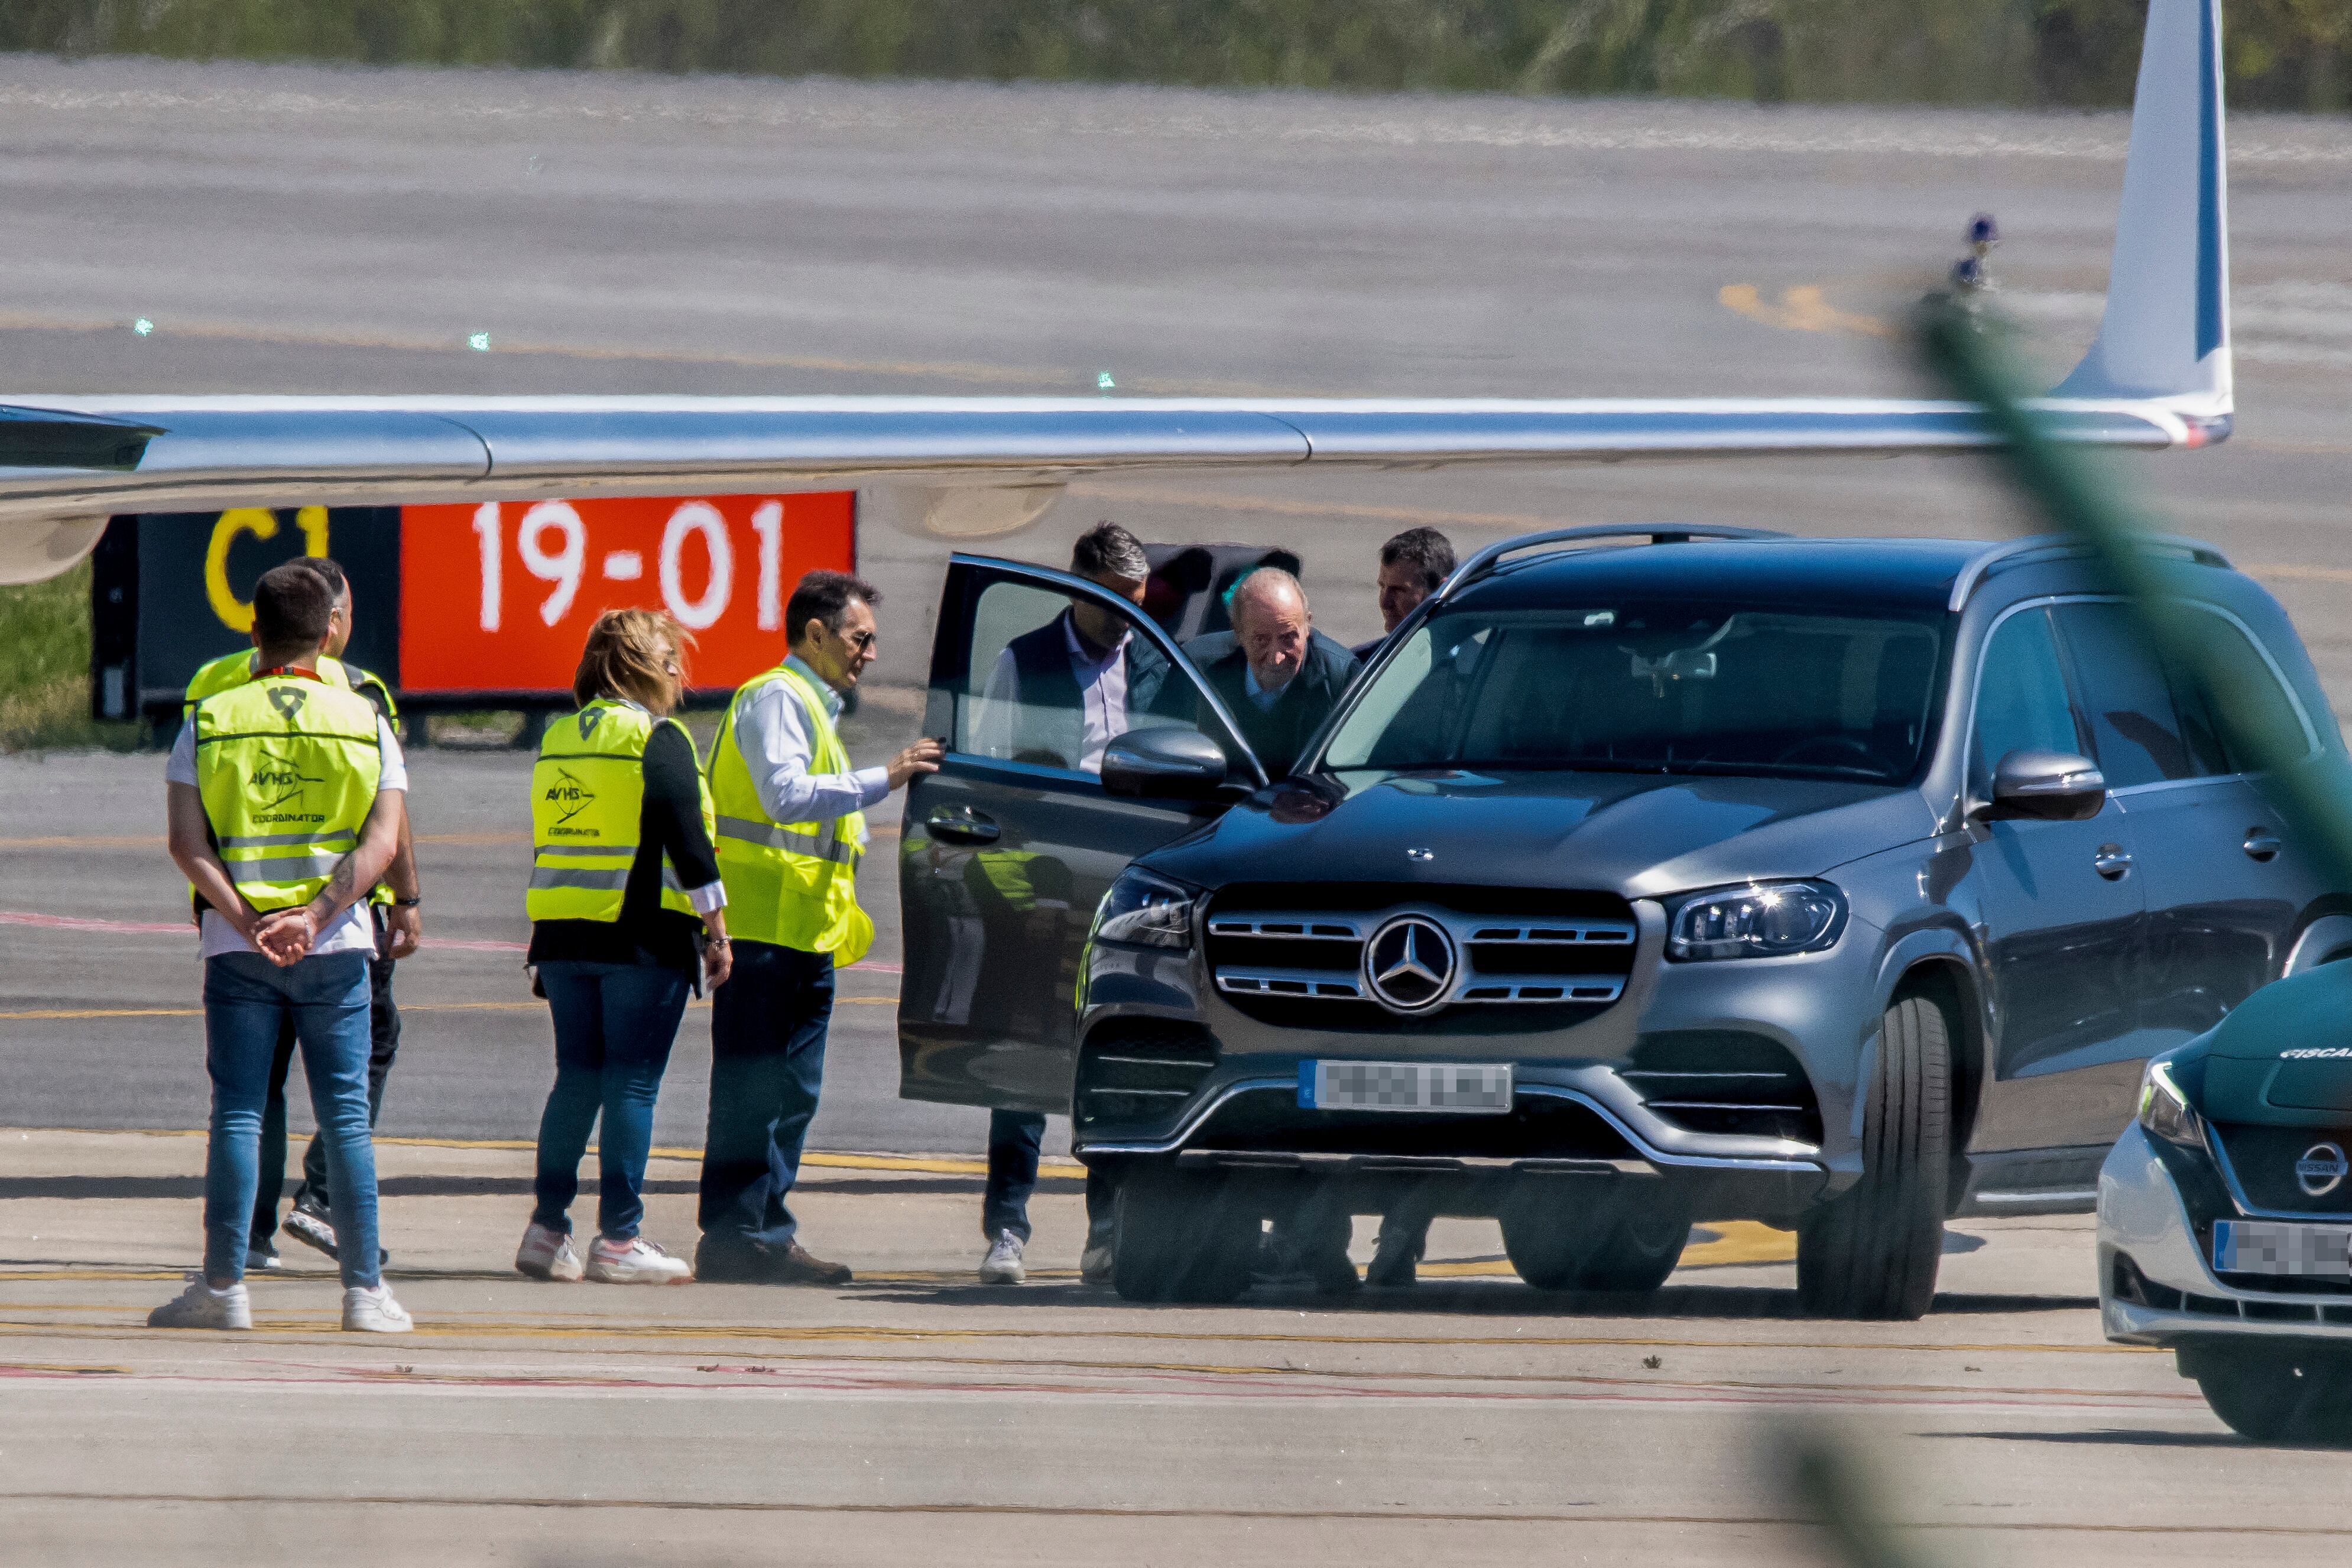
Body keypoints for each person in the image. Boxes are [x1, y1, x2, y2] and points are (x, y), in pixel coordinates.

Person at [150, 561, 411, 1332]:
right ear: (328, 631)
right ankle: (364, 1292)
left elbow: (185, 844)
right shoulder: (365, 716)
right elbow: (381, 843)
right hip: (336, 947)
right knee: (346, 1117)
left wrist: (248, 918)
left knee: (236, 1110)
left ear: (253, 631)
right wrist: (318, 915)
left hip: (236, 949)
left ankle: (224, 1285)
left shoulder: (212, 716)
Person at [694, 570, 943, 1284]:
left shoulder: (812, 705)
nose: (869, 653)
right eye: (860, 638)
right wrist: (885, 776)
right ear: (815, 634)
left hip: (803, 933)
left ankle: (761, 1231)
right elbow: (783, 794)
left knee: (789, 1095)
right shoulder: (777, 696)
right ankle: (740, 1234)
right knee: (755, 1093)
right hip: (766, 931)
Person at [968, 521, 1158, 1285]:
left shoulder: (1150, 662)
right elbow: (985, 774)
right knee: (1024, 1064)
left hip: (1126, 891)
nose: (1124, 620)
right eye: (1113, 603)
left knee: (1113, 1062)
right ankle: (1006, 1228)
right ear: (1075, 585)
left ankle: (1107, 1228)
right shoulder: (1026, 663)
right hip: (1046, 887)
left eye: (1136, 605)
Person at [517, 610, 731, 1285]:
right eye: (672, 662)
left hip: (561, 934)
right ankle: (620, 1237)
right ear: (644, 667)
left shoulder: (558, 736)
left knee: (576, 1077)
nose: (680, 676)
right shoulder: (656, 736)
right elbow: (685, 832)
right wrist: (716, 926)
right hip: (637, 935)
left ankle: (547, 1228)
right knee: (632, 1081)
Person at [1183, 568, 1360, 779]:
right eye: (1261, 640)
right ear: (1238, 633)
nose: (1277, 658)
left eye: (1288, 638)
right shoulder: (1196, 671)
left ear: (1308, 625)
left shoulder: (1341, 678)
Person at [1351, 527, 1456, 661]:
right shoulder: (1364, 666)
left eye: (1399, 590)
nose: (1385, 603)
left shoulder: (1481, 668)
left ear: (1442, 591)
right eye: (1383, 587)